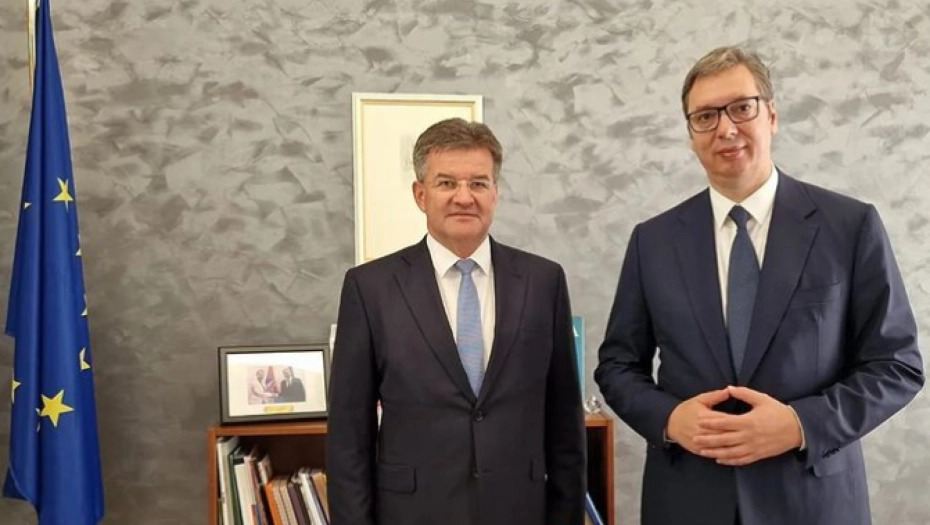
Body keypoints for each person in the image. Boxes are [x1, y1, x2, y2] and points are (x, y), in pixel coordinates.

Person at [594, 45, 924, 525]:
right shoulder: (653, 241)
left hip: (812, 502)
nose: (725, 128)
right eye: (705, 116)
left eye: (741, 108)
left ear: (771, 115)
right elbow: (618, 365)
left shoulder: (850, 226)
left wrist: (799, 424)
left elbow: (896, 365)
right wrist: (669, 420)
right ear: (691, 135)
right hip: (687, 502)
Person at [327, 118, 586, 525]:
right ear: (420, 194)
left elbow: (565, 420)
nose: (464, 197)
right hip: (413, 514)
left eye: (478, 183)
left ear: (495, 193)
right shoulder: (370, 288)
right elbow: (349, 434)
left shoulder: (543, 281)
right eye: (446, 183)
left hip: (519, 510)